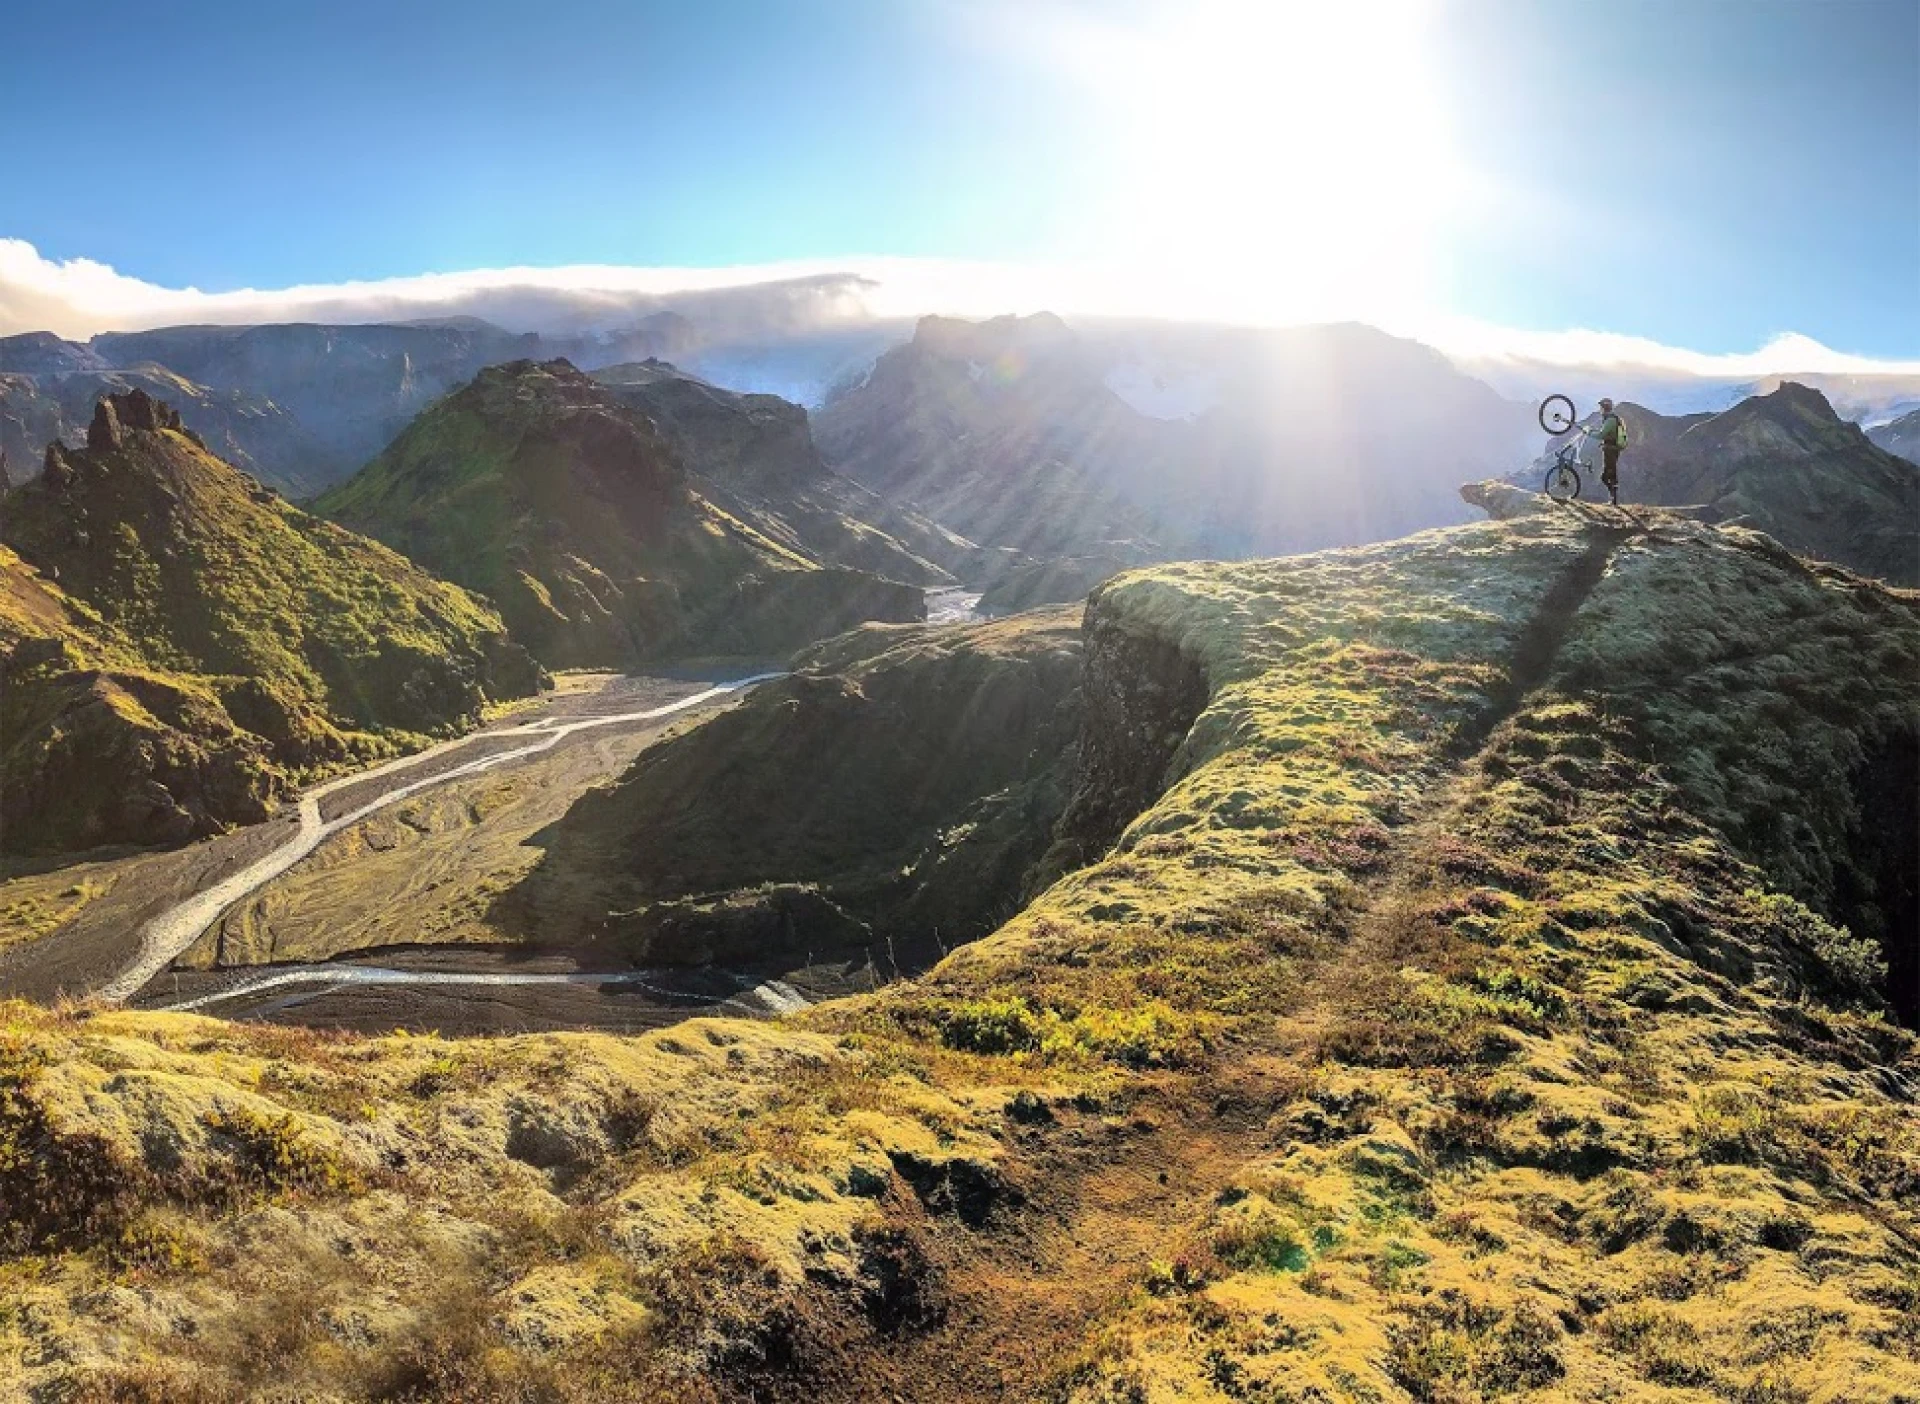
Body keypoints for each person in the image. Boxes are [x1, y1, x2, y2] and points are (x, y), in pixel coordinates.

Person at [1596, 398, 1628, 505]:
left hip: (1610, 450)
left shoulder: (1610, 420)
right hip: (1612, 449)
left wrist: (1588, 432)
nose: (1600, 409)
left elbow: (1601, 434)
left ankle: (1613, 500)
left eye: (1601, 407)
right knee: (1610, 473)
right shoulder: (1613, 418)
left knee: (1607, 475)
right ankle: (1613, 499)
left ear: (1605, 408)